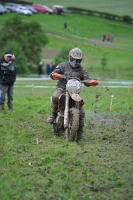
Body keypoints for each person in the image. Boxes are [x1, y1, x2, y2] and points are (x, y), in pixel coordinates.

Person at [47, 47, 98, 139]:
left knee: (81, 113)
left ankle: (80, 133)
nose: (75, 62)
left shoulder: (82, 69)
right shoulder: (63, 65)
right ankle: (53, 114)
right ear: (70, 57)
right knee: (55, 96)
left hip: (74, 92)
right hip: (62, 88)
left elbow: (86, 79)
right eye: (74, 60)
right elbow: (53, 74)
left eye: (78, 61)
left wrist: (90, 82)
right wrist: (57, 75)